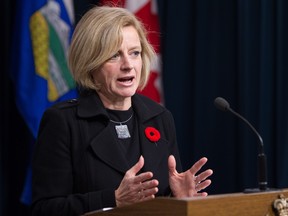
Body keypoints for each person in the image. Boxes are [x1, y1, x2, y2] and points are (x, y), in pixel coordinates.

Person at [31, 5, 213, 216]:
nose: (128, 65)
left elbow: (158, 203)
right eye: (114, 56)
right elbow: (44, 209)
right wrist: (113, 199)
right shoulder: (64, 122)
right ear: (90, 62)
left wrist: (178, 200)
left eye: (134, 53)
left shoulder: (159, 118)